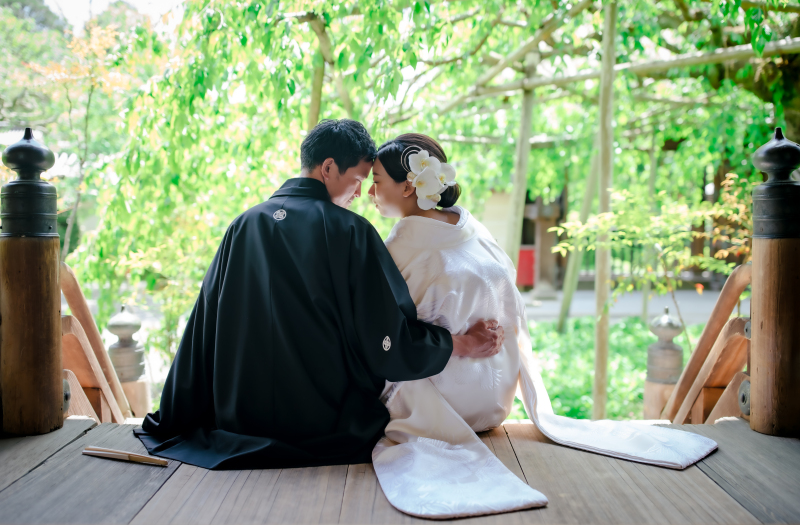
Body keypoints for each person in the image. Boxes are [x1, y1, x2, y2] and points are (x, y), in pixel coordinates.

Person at [365, 133, 719, 519]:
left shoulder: (403, 244)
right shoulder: (472, 227)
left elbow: (388, 337)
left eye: (377, 179)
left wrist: (462, 343)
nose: (370, 191)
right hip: (494, 397)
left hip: (443, 406)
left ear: (408, 186)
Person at [134, 120, 504, 470]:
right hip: (323, 426)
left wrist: (182, 410)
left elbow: (205, 325)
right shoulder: (351, 231)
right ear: (328, 168)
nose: (361, 193)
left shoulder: (244, 224)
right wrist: (462, 344)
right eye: (358, 180)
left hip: (237, 420)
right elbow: (387, 341)